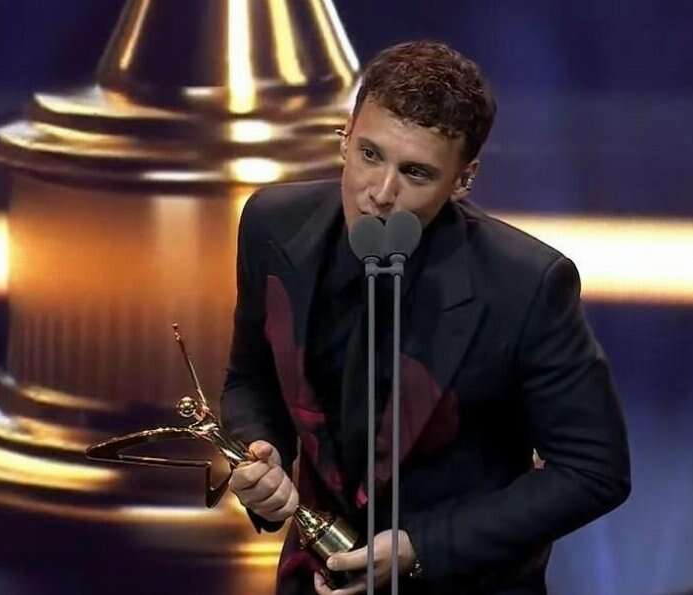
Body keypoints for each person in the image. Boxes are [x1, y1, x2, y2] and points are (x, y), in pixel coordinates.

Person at [221, 40, 630, 595]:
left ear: (463, 179)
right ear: (344, 137)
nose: (380, 193)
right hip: (312, 579)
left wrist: (423, 547)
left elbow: (594, 470)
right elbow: (251, 381)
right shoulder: (271, 224)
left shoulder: (526, 285)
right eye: (369, 154)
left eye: (415, 173)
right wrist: (260, 457)